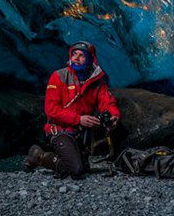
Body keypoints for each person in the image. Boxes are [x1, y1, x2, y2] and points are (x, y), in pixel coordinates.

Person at [22, 41, 121, 178]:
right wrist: (79, 119)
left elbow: (107, 102)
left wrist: (113, 115)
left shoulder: (97, 80)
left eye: (81, 55)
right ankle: (39, 156)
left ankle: (62, 158)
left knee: (82, 168)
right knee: (75, 170)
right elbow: (51, 110)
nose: (76, 58)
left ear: (90, 59)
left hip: (80, 133)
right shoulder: (58, 76)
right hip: (61, 130)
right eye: (74, 54)